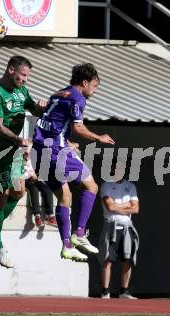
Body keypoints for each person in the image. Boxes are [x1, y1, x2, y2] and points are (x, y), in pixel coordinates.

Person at [31, 63, 115, 262]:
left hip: (39, 151)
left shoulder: (58, 94)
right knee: (91, 186)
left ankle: (67, 246)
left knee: (65, 196)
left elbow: (52, 125)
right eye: (95, 85)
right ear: (84, 82)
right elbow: (79, 127)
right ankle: (79, 233)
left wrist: (67, 141)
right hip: (55, 151)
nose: (96, 89)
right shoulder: (78, 98)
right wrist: (98, 137)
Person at [0, 55, 47, 268]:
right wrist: (20, 139)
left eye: (27, 76)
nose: (25, 80)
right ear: (11, 70)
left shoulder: (22, 91)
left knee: (19, 192)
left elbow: (34, 110)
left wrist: (42, 107)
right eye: (23, 75)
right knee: (1, 197)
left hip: (15, 149)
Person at [99, 160, 139, 300]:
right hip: (111, 225)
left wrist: (118, 206)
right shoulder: (106, 185)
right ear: (112, 169)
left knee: (127, 259)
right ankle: (105, 291)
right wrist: (126, 206)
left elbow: (136, 208)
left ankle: (124, 291)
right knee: (108, 259)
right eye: (116, 168)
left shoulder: (130, 186)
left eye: (121, 169)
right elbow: (110, 207)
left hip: (127, 227)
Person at [24, 151, 57, 227]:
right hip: (24, 180)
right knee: (33, 189)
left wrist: (37, 175)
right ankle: (37, 216)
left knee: (47, 188)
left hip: (35, 178)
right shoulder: (18, 158)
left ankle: (50, 215)